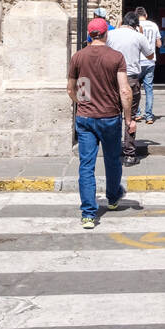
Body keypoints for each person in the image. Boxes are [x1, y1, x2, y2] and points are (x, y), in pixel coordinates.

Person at [67, 16, 134, 229]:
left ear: (89, 34)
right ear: (106, 34)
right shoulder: (116, 57)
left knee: (86, 165)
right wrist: (129, 118)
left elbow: (72, 89)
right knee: (113, 159)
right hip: (109, 117)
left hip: (86, 118)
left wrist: (83, 104)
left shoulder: (78, 57)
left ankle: (88, 213)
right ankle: (113, 198)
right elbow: (124, 90)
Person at [108, 10, 153, 164]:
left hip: (113, 79)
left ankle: (112, 151)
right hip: (131, 79)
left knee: (113, 115)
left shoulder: (111, 34)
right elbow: (150, 55)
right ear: (136, 25)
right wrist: (140, 34)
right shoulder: (138, 36)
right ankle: (129, 154)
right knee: (130, 116)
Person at [135, 5, 162, 123]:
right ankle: (149, 116)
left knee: (135, 88)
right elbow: (159, 44)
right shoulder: (154, 25)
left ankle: (137, 113)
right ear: (146, 15)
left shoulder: (135, 26)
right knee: (149, 89)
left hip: (138, 61)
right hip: (150, 61)